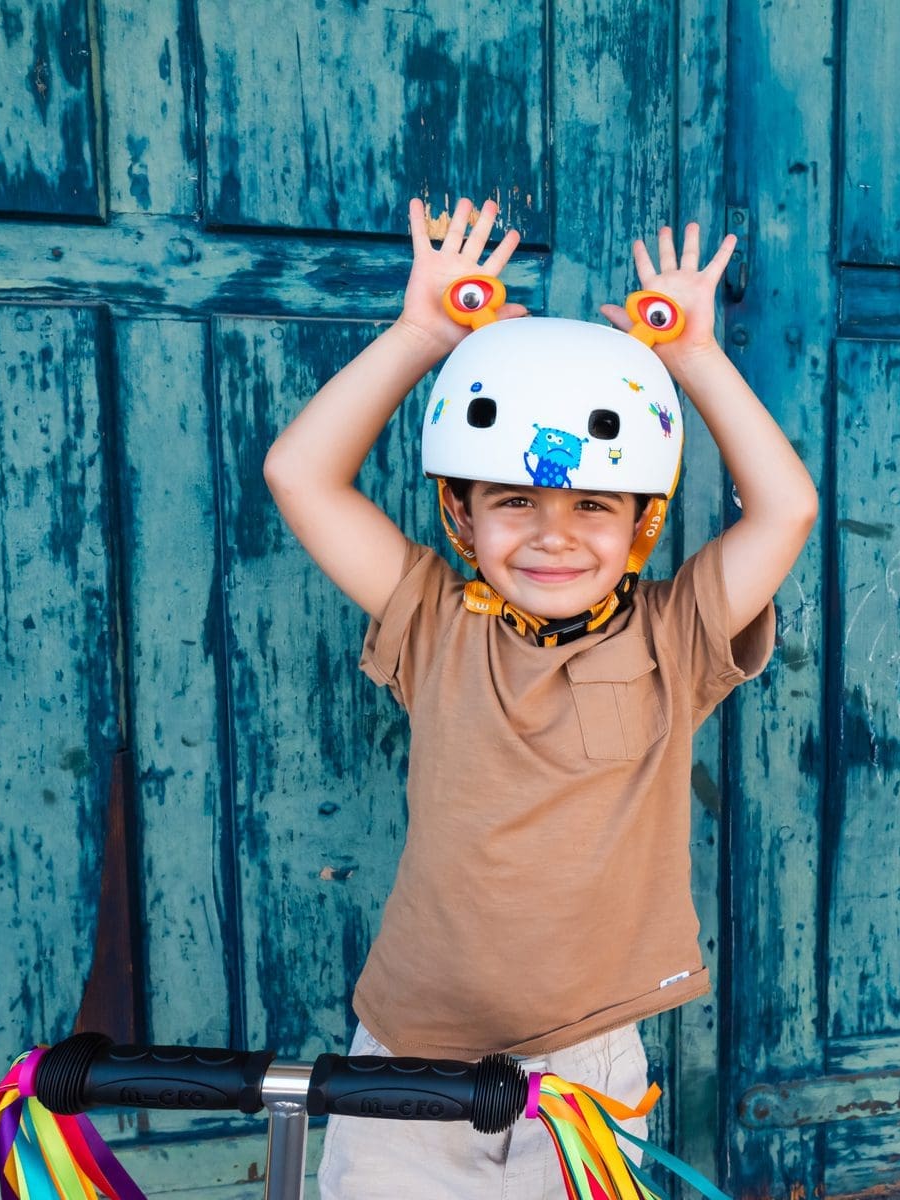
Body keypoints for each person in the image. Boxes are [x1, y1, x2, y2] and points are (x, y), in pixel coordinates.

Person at [263, 194, 817, 1198]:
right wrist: (419, 334)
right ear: (461, 519)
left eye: (592, 506)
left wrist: (694, 361)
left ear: (641, 527)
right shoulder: (433, 620)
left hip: (582, 1068)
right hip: (405, 1053)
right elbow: (299, 472)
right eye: (514, 500)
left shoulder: (675, 636)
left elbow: (786, 508)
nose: (553, 534)